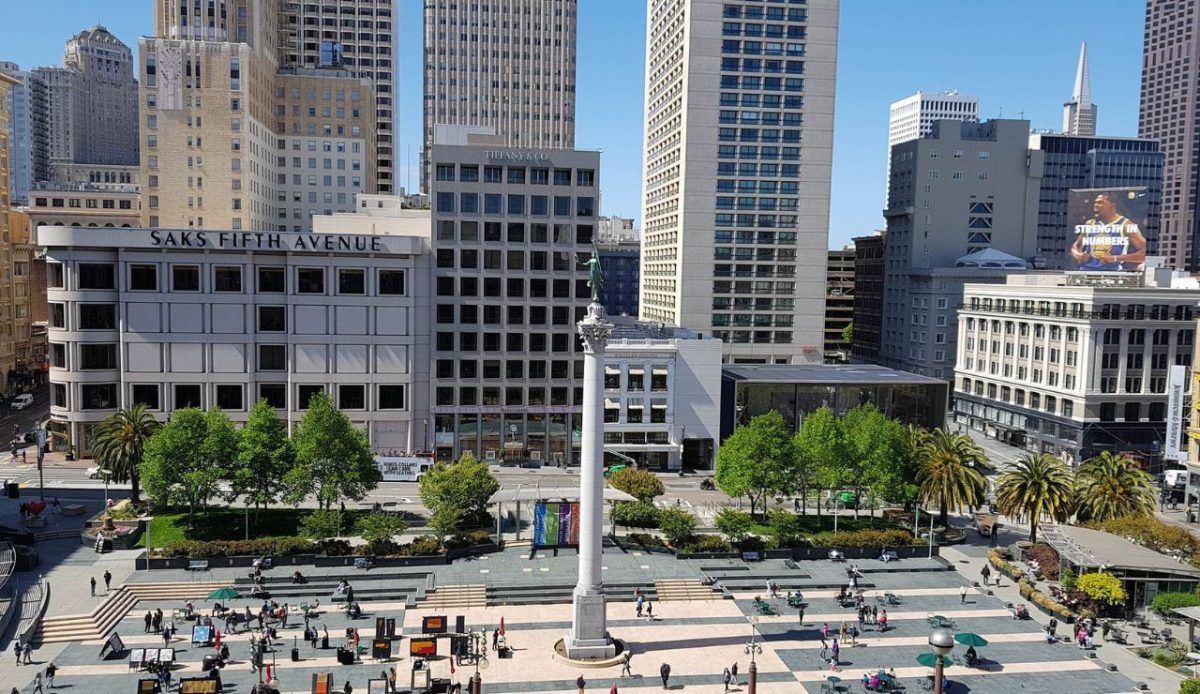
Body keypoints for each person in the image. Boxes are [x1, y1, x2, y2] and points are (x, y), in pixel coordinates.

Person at [1069, 192, 1148, 271]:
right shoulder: (1090, 223)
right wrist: (1078, 255)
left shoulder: (1126, 225)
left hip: (1111, 274)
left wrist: (1115, 258)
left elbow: (1145, 253)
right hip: (1085, 272)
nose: (1095, 205)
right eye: (1095, 203)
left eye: (1100, 203)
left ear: (1112, 206)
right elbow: (1075, 246)